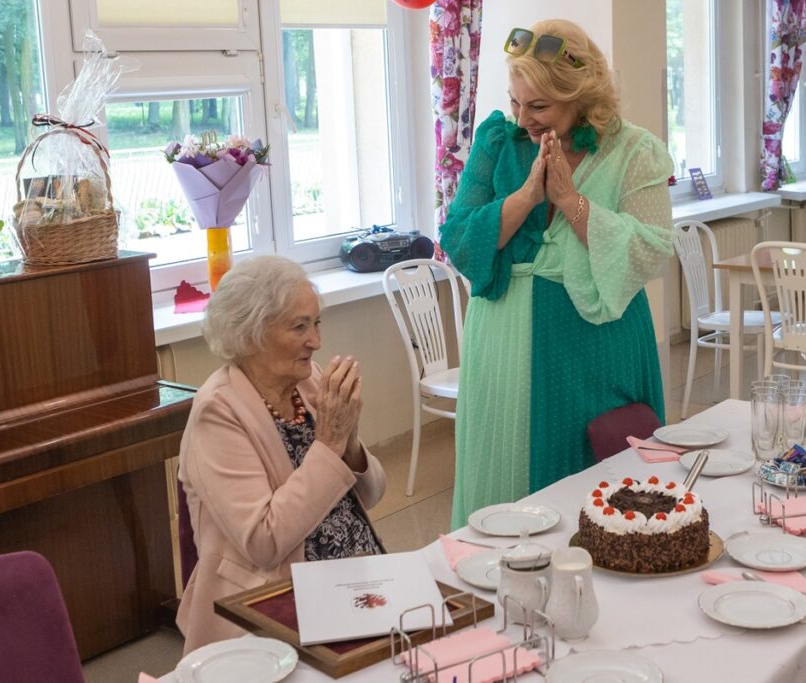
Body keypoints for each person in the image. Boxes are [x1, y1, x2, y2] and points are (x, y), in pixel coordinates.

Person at [440, 19, 674, 529]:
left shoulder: (634, 151)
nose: (523, 118)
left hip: (595, 343)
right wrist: (527, 196)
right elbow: (457, 239)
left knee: (597, 488)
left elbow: (653, 249)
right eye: (516, 101)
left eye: (539, 106)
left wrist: (570, 201)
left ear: (582, 95)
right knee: (503, 484)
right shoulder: (497, 143)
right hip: (501, 339)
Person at [176, 256, 386, 654]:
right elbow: (265, 542)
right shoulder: (217, 413)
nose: (316, 341)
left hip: (353, 580)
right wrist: (328, 445)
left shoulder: (309, 383)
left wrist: (351, 441)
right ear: (252, 333)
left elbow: (372, 496)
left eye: (316, 323)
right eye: (300, 326)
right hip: (273, 606)